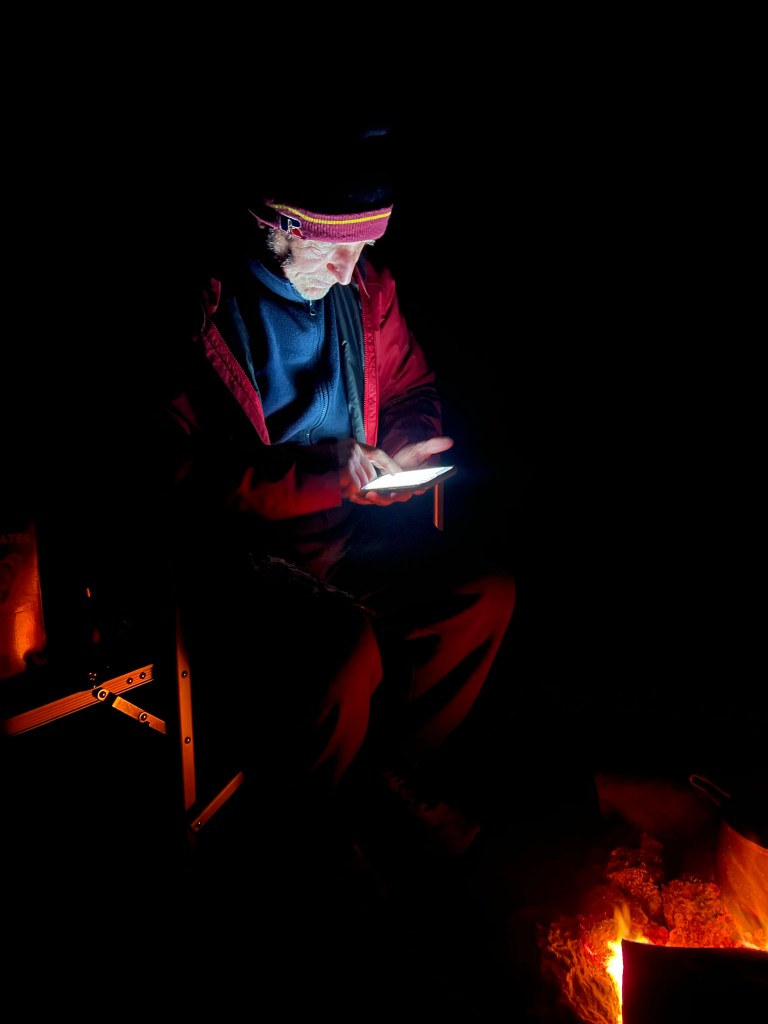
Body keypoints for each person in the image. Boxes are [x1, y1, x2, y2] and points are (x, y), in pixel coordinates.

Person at [118, 116, 518, 889]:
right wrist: (322, 473)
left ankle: (384, 778)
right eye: (335, 247)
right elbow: (167, 478)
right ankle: (306, 841)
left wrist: (404, 445)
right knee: (342, 650)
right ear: (275, 224)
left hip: (348, 528)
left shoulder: (364, 289)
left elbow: (411, 385)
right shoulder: (195, 316)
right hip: (234, 554)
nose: (348, 270)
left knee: (480, 595)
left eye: (365, 246)